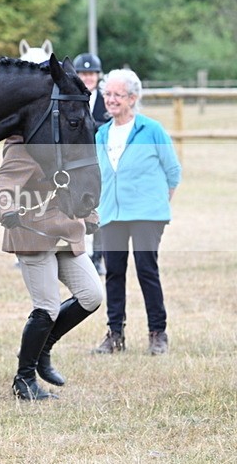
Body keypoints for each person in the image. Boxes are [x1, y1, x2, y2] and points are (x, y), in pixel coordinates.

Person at [0, 135, 103, 400]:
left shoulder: (68, 143)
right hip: (32, 233)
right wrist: (6, 210)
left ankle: (43, 348)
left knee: (91, 295)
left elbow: (80, 183)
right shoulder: (24, 146)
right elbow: (2, 186)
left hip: (66, 230)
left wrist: (90, 215)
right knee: (47, 307)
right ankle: (24, 379)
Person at [92, 69, 182, 356]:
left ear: (133, 98)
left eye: (117, 95)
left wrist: (157, 205)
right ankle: (114, 334)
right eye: (107, 94)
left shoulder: (151, 130)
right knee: (114, 273)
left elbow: (173, 171)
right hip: (112, 214)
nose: (111, 100)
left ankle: (158, 333)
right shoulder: (102, 133)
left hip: (146, 215)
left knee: (146, 270)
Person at [73, 52, 109, 275]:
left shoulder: (107, 100)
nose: (87, 78)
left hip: (102, 160)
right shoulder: (72, 100)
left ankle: (98, 256)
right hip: (78, 162)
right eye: (83, 74)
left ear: (98, 76)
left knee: (101, 207)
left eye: (91, 74)